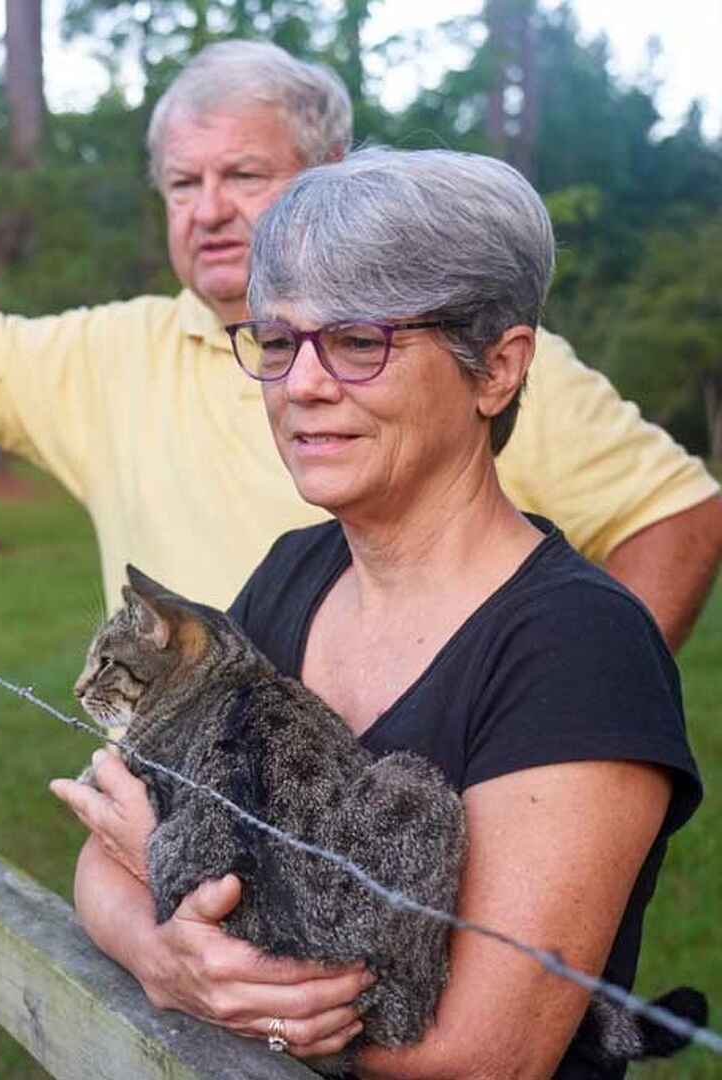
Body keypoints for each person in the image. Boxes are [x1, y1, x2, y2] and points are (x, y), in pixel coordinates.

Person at [51, 147, 702, 1079]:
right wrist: (168, 960)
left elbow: (483, 1057)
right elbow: (104, 843)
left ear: (498, 370)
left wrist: (231, 983)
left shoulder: (578, 648)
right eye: (278, 342)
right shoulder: (293, 573)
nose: (303, 384)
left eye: (362, 342)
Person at [0, 41, 719, 648]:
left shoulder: (450, 357)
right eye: (184, 184)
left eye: (245, 173)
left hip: (401, 852)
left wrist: (571, 733)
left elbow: (677, 514)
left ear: (332, 176)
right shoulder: (112, 355)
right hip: (181, 847)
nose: (211, 210)